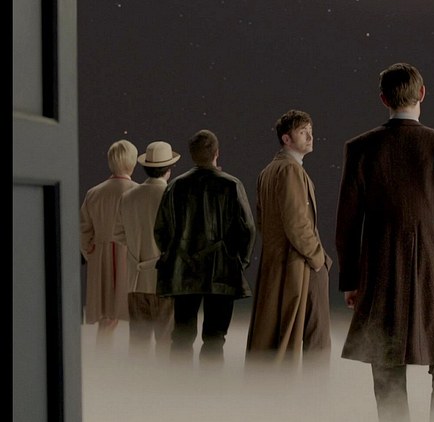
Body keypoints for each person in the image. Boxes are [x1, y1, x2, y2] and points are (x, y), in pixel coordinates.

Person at [336, 63, 434, 422]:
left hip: (381, 270)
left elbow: (348, 224)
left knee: (386, 369)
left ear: (383, 98)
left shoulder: (360, 148)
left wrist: (351, 280)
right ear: (422, 94)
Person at [154, 129, 255, 365]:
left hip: (183, 271)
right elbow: (248, 228)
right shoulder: (232, 185)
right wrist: (240, 261)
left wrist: (173, 254)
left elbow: (160, 229)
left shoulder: (175, 186)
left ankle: (179, 383)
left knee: (181, 336)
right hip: (222, 271)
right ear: (217, 153)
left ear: (191, 154)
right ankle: (210, 385)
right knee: (215, 338)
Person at [246, 110, 332, 370]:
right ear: (286, 138)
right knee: (316, 338)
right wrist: (318, 259)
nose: (310, 137)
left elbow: (262, 221)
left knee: (275, 333)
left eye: (310, 131)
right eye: (303, 132)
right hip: (298, 264)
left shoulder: (268, 171)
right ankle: (314, 392)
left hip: (277, 263)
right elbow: (297, 223)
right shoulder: (290, 170)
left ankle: (277, 391)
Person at [113, 141, 179, 358]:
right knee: (166, 345)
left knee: (138, 346)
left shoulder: (128, 197)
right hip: (165, 282)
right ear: (169, 169)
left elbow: (117, 234)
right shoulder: (172, 197)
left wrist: (136, 244)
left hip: (136, 281)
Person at [80, 139, 139, 348]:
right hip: (129, 257)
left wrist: (90, 251)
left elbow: (84, 230)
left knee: (106, 317)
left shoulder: (94, 193)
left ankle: (102, 357)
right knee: (133, 317)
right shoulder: (137, 192)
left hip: (101, 257)